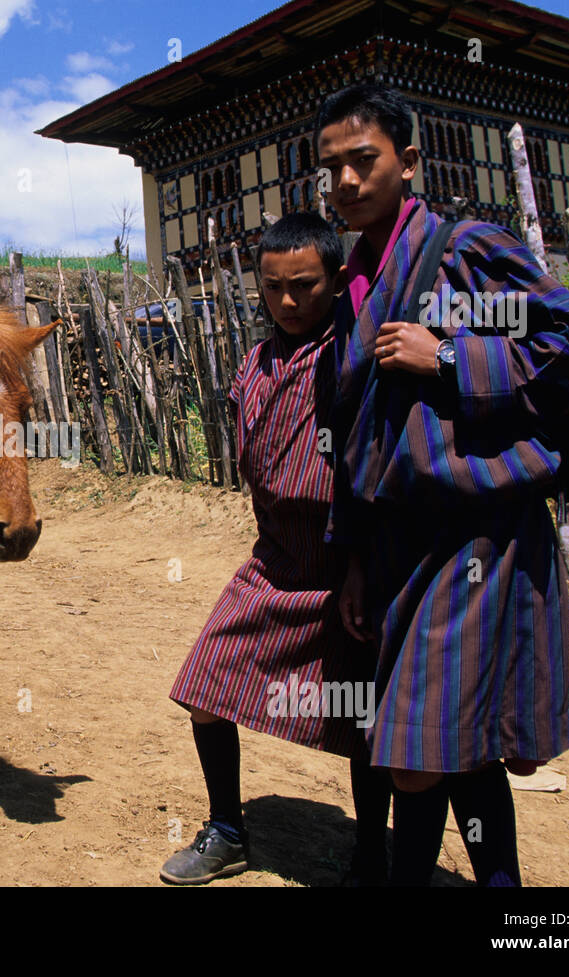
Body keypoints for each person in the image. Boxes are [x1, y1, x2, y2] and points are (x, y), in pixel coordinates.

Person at [317, 83, 569, 885]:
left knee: (414, 745)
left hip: (477, 536)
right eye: (330, 168)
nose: (345, 181)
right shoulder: (350, 286)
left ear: (408, 163)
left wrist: (449, 357)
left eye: (363, 160)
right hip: (397, 542)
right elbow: (352, 435)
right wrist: (351, 556)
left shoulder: (467, 255)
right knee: (450, 738)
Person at [162, 213, 391, 885]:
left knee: (362, 715)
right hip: (275, 561)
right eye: (273, 287)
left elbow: (374, 464)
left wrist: (359, 562)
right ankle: (228, 828)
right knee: (205, 682)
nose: (289, 301)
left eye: (305, 285)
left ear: (336, 279)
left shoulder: (353, 355)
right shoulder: (257, 363)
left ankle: (372, 854)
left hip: (346, 562)